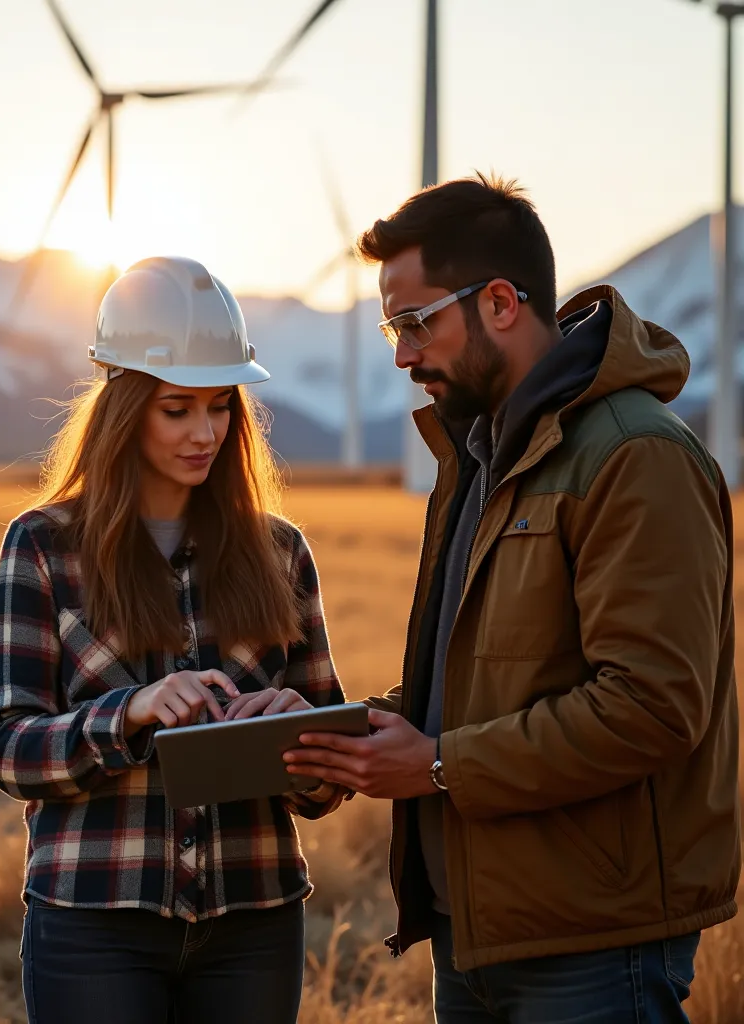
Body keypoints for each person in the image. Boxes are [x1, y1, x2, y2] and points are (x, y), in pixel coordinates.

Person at [282, 173, 741, 1023]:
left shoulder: (634, 456)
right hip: (482, 930)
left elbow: (652, 707)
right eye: (392, 327)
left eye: (416, 323)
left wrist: (437, 765)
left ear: (499, 302)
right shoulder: (482, 459)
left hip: (595, 943)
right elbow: (485, 686)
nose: (401, 355)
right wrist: (345, 732)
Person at [0, 256, 347, 1024]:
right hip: (93, 923)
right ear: (125, 407)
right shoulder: (43, 547)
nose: (205, 432)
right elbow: (10, 749)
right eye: (177, 409)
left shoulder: (281, 552)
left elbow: (329, 779)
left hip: (255, 921)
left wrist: (292, 730)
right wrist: (131, 712)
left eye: (220, 407)